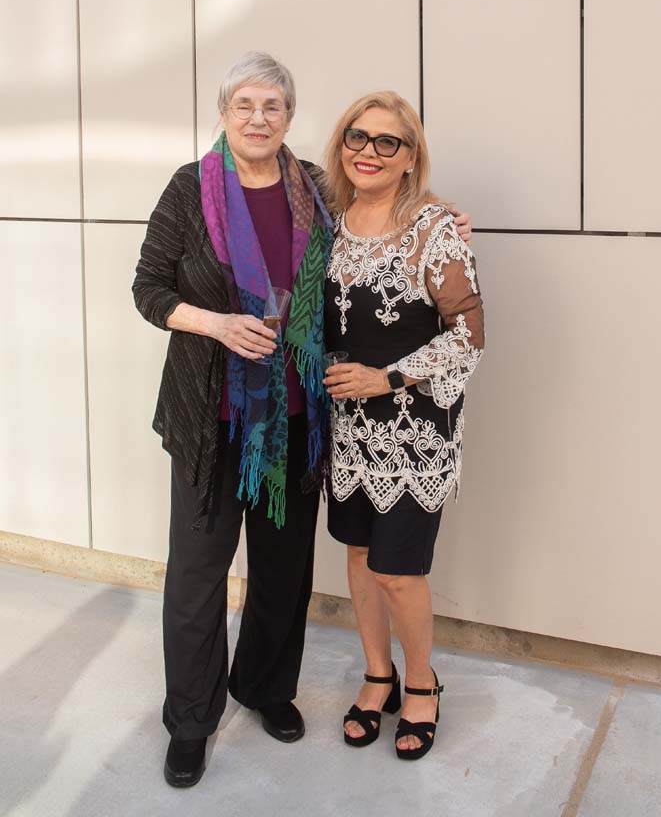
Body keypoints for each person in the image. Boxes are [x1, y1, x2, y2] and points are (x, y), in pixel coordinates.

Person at [132, 53, 471, 787]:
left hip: (297, 416)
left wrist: (443, 222)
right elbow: (147, 288)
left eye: (274, 106)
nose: (259, 118)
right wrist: (215, 324)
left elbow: (386, 224)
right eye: (245, 104)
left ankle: (264, 688)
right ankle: (189, 720)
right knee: (197, 575)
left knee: (283, 572)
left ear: (290, 117)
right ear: (223, 112)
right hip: (212, 420)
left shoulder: (314, 191)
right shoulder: (191, 189)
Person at [322, 91, 485, 761]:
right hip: (345, 435)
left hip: (412, 437)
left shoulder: (435, 229)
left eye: (387, 141)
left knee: (398, 570)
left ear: (410, 155)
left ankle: (422, 685)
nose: (368, 151)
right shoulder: (326, 221)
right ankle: (377, 675)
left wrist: (385, 378)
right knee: (359, 559)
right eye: (357, 137)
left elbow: (469, 337)